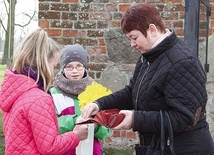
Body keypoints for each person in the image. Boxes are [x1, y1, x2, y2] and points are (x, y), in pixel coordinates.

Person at [81, 2, 214, 155]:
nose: (132, 44)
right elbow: (132, 92)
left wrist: (135, 119)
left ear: (152, 29)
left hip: (185, 149)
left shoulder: (183, 62)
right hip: (158, 147)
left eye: (134, 37)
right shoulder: (148, 57)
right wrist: (99, 104)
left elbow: (185, 118)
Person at [0, 28, 88, 155]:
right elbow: (50, 147)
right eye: (53, 65)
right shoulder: (39, 99)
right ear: (45, 63)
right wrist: (75, 135)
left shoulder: (15, 93)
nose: (53, 71)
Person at [49, 44, 109, 155]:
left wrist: (95, 127)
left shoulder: (96, 91)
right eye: (69, 67)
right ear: (62, 68)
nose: (75, 71)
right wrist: (74, 121)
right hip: (65, 150)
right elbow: (51, 125)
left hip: (92, 150)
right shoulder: (53, 94)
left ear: (85, 66)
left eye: (79, 66)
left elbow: (105, 131)